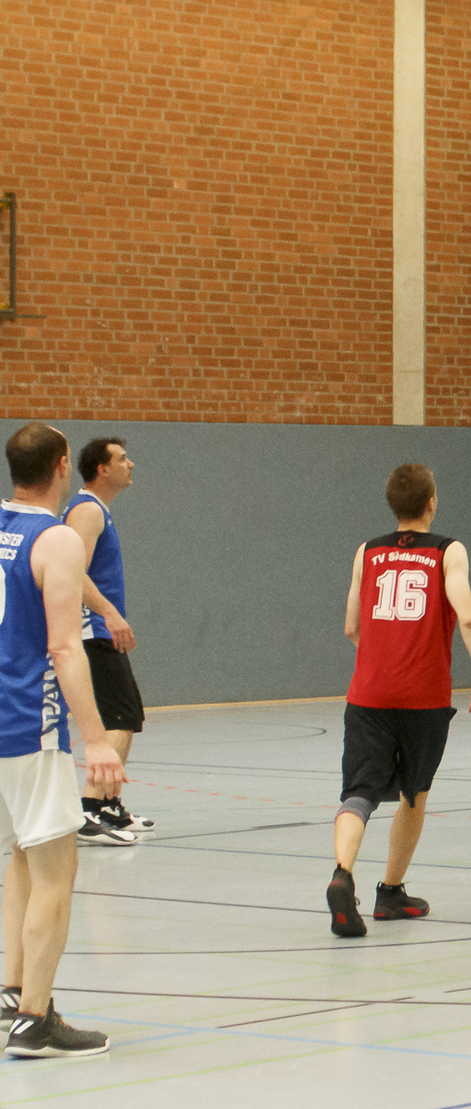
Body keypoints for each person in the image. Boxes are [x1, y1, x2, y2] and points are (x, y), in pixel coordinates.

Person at [327, 464, 471, 937]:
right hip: (423, 699)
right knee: (413, 795)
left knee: (358, 793)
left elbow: (351, 627)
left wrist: (382, 660)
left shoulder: (368, 551)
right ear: (431, 502)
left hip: (368, 694)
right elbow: (468, 618)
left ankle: (342, 873)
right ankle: (390, 892)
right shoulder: (447, 551)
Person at [1, 422, 124, 1057]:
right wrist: (96, 739)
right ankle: (34, 1020)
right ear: (59, 467)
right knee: (57, 869)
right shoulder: (55, 540)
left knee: (20, 856)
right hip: (29, 726)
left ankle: (11, 991)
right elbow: (64, 647)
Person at [62, 438, 151, 845]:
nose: (130, 464)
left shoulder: (98, 510)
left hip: (99, 632)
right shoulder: (87, 510)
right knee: (119, 718)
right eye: (122, 459)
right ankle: (91, 808)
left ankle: (109, 805)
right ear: (101, 469)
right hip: (92, 632)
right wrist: (109, 614)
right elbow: (71, 571)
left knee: (126, 717)